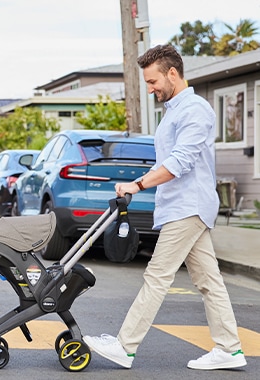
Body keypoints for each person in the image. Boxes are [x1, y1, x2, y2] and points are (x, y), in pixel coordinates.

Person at [83, 44, 247, 371]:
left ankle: (125, 347)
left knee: (157, 276)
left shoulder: (195, 110)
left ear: (173, 73)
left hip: (188, 206)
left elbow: (180, 162)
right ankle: (229, 348)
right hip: (182, 206)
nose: (150, 88)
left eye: (153, 81)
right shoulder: (174, 110)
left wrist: (137, 184)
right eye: (147, 83)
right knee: (208, 281)